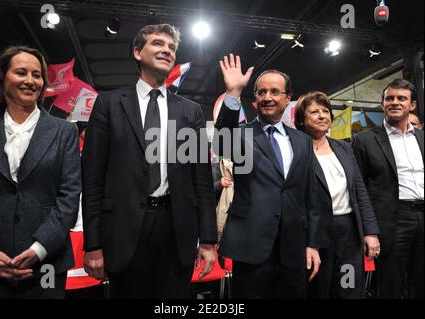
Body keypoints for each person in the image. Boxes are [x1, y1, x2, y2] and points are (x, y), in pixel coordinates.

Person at [81, 24, 217, 298]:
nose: (166, 50)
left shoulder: (190, 112)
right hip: (124, 227)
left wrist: (209, 240)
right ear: (137, 52)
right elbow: (93, 178)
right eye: (157, 43)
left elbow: (201, 181)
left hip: (177, 227)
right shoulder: (108, 104)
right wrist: (92, 244)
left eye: (171, 47)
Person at [0, 46, 81, 298]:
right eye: (21, 72)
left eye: (37, 75)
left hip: (47, 265)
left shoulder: (64, 132)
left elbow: (69, 196)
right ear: (2, 78)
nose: (30, 81)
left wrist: (39, 248)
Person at [215, 54, 321, 298]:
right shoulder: (241, 135)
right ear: (255, 100)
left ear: (288, 98)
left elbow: (311, 196)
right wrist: (232, 93)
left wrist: (312, 243)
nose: (267, 97)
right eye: (261, 93)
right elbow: (222, 142)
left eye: (275, 91)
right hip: (251, 245)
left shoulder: (303, 141)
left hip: (293, 248)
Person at [294, 91, 380, 298]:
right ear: (302, 120)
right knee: (319, 289)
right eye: (314, 112)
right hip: (314, 233)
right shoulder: (296, 149)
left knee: (347, 285)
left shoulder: (343, 147)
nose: (322, 115)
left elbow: (359, 190)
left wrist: (370, 231)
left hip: (348, 232)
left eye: (326, 111)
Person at [352, 78, 424, 299]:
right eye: (389, 98)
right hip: (391, 222)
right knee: (390, 285)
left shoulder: (422, 137)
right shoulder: (364, 140)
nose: (394, 102)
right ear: (382, 104)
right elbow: (358, 189)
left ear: (412, 105)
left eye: (401, 98)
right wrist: (369, 231)